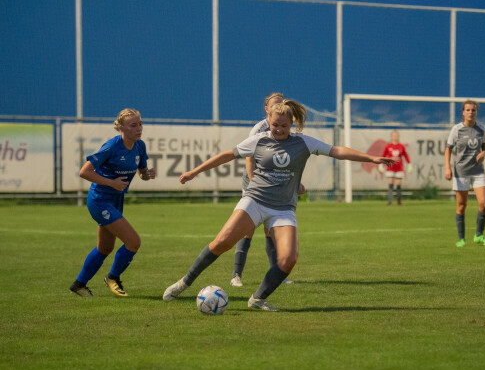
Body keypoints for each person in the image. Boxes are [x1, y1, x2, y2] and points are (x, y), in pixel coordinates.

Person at [163, 99, 395, 311]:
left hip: (283, 208)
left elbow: (336, 151)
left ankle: (257, 299)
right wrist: (195, 171)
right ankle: (184, 282)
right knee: (221, 242)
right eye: (275, 125)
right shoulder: (259, 140)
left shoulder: (303, 142)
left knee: (288, 259)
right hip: (255, 200)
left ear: (292, 123)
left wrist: (371, 158)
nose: (279, 130)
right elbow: (227, 155)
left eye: (284, 126)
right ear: (269, 122)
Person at [69, 108, 156, 297]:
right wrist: (112, 183)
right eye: (133, 125)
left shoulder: (139, 146)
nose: (139, 128)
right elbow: (84, 172)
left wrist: (148, 175)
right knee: (134, 242)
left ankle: (79, 284)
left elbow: (142, 173)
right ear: (121, 127)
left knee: (105, 248)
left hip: (116, 199)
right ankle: (113, 277)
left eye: (140, 123)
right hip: (100, 199)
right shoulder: (111, 146)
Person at [231, 92, 300, 287]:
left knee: (271, 231)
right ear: (266, 109)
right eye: (275, 104)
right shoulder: (259, 130)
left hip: (274, 184)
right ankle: (236, 275)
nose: (279, 107)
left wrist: (294, 182)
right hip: (256, 184)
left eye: (282, 103)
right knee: (247, 229)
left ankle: (278, 273)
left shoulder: (284, 127)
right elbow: (250, 159)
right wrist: (255, 186)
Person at [445, 100, 485, 248]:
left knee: (484, 204)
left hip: (477, 171)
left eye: (473, 110)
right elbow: (448, 149)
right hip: (461, 172)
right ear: (463, 112)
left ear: (476, 112)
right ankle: (461, 239)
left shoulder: (481, 129)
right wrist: (447, 167)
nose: (470, 112)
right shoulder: (456, 130)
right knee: (461, 205)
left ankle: (479, 235)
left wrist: (484, 153)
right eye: (468, 110)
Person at [379, 131, 412, 205]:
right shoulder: (388, 146)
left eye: (396, 135)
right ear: (391, 137)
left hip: (399, 168)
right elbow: (384, 155)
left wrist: (409, 164)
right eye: (394, 135)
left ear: (398, 136)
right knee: (390, 185)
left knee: (398, 185)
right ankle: (390, 201)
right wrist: (381, 164)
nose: (395, 137)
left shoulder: (401, 146)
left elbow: (405, 155)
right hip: (390, 168)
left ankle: (399, 201)